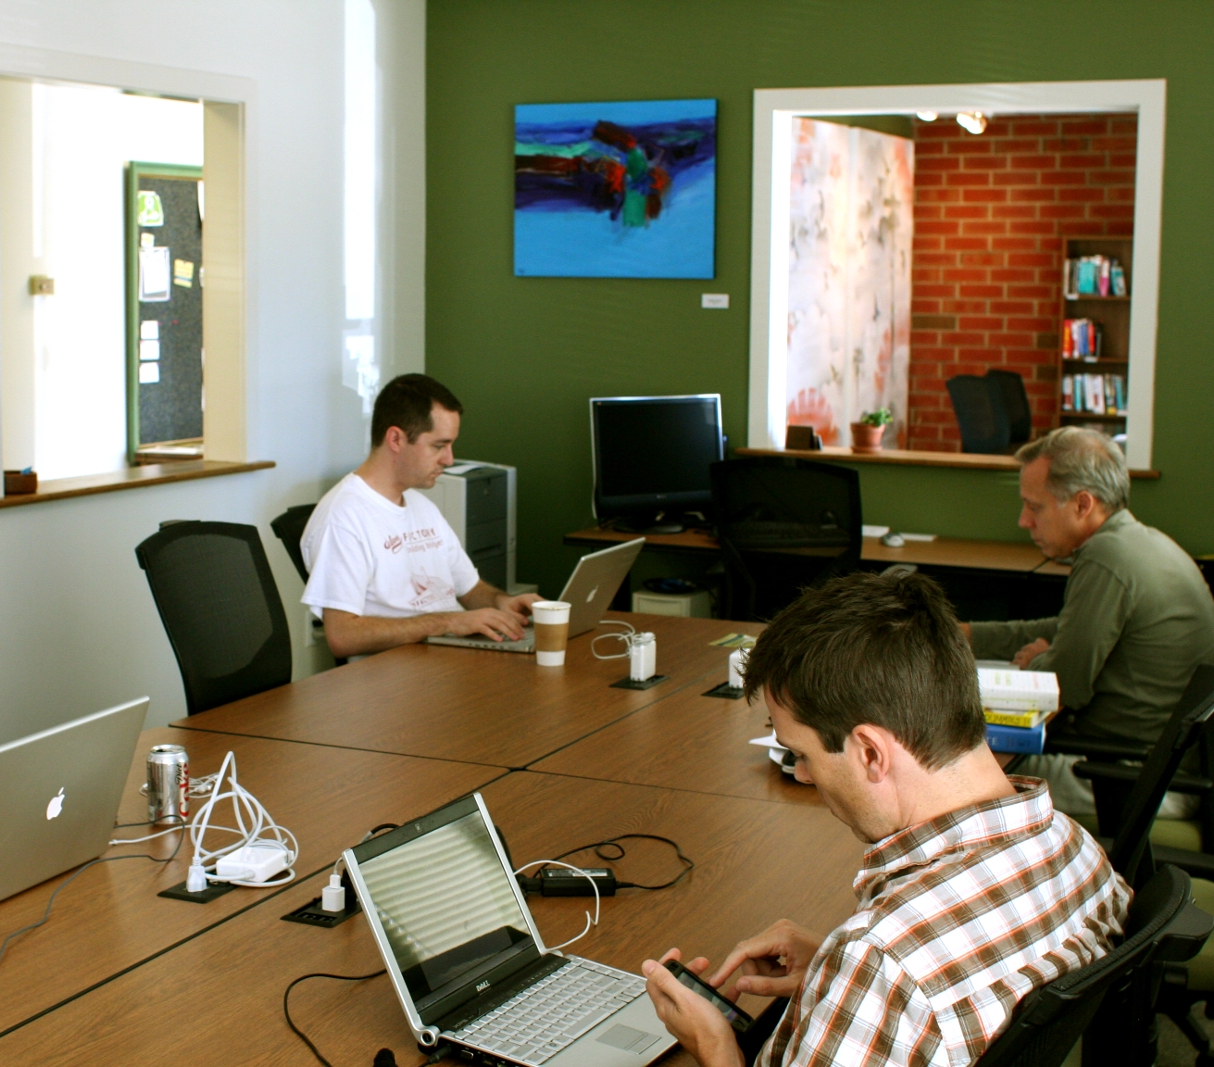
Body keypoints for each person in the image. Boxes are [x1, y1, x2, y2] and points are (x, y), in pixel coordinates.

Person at [641, 571, 1129, 1067]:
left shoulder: (884, 961)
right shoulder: (1079, 848)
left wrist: (715, 1047)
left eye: (801, 754)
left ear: (872, 753)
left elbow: (901, 970)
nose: (803, 775)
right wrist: (837, 970)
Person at [963, 427, 1214, 814]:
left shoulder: (1106, 558)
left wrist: (1042, 661)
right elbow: (1062, 631)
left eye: (1035, 506)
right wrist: (966, 636)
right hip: (1154, 766)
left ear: (1082, 504)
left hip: (1123, 777)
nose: (1023, 521)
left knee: (953, 778)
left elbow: (1064, 686)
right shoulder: (1142, 544)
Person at [301, 373, 540, 658]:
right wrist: (448, 621)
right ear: (396, 439)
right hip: (394, 683)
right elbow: (343, 636)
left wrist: (502, 602)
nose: (449, 459)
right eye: (438, 446)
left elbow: (470, 588)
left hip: (447, 664)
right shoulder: (343, 517)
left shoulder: (421, 506)